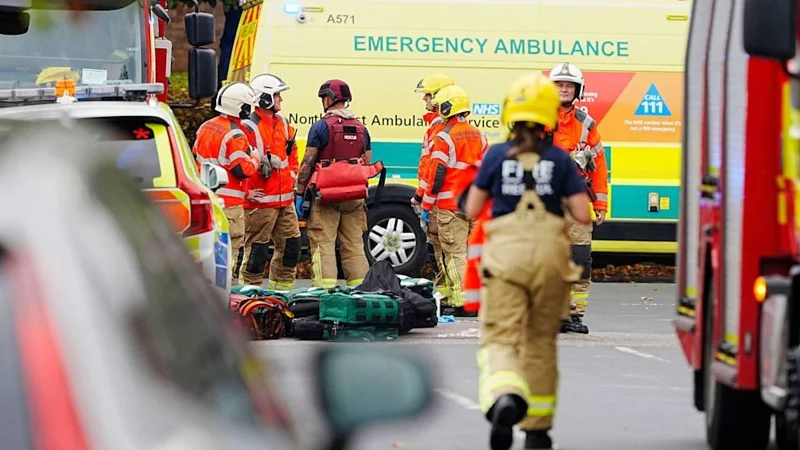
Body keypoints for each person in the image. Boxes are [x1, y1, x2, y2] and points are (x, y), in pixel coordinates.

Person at [464, 73, 590, 450]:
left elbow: (472, 208)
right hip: (551, 260)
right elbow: (582, 214)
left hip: (506, 259)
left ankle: (505, 395)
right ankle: (538, 430)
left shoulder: (497, 155)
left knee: (501, 337)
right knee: (540, 343)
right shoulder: (561, 159)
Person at [547, 62, 609, 334]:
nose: (563, 89)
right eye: (559, 84)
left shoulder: (586, 125)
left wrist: (601, 204)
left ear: (577, 90)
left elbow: (599, 166)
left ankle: (574, 315)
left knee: (580, 258)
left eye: (568, 85)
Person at [294, 79, 372, 288]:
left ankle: (325, 290)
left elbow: (307, 163)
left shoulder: (320, 127)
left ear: (328, 99)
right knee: (354, 244)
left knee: (323, 243)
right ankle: (360, 290)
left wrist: (300, 193)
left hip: (325, 194)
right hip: (354, 196)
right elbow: (368, 162)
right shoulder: (361, 129)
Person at [419, 84, 487, 316]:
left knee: (454, 253)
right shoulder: (480, 134)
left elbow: (437, 174)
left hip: (450, 205)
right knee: (471, 253)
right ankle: (467, 297)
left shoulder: (444, 137)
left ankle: (464, 302)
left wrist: (426, 205)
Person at [236, 73, 302, 289]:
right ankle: (250, 296)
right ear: (264, 98)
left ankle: (281, 294)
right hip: (260, 203)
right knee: (257, 253)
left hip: (285, 201)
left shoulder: (282, 122)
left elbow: (292, 154)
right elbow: (236, 164)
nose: (281, 99)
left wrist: (292, 176)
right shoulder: (248, 127)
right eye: (277, 95)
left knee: (291, 247)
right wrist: (246, 193)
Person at [193, 82, 261, 286]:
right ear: (240, 107)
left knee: (209, 248)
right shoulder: (236, 135)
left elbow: (197, 155)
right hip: (229, 206)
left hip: (206, 197)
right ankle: (227, 289)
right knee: (231, 250)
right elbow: (242, 169)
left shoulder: (207, 126)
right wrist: (255, 158)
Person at [412, 73, 455, 301]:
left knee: (444, 248)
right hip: (436, 197)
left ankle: (453, 296)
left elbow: (434, 166)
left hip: (439, 199)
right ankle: (446, 295)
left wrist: (422, 196)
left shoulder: (440, 126)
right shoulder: (437, 125)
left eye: (428, 95)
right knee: (438, 248)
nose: (424, 100)